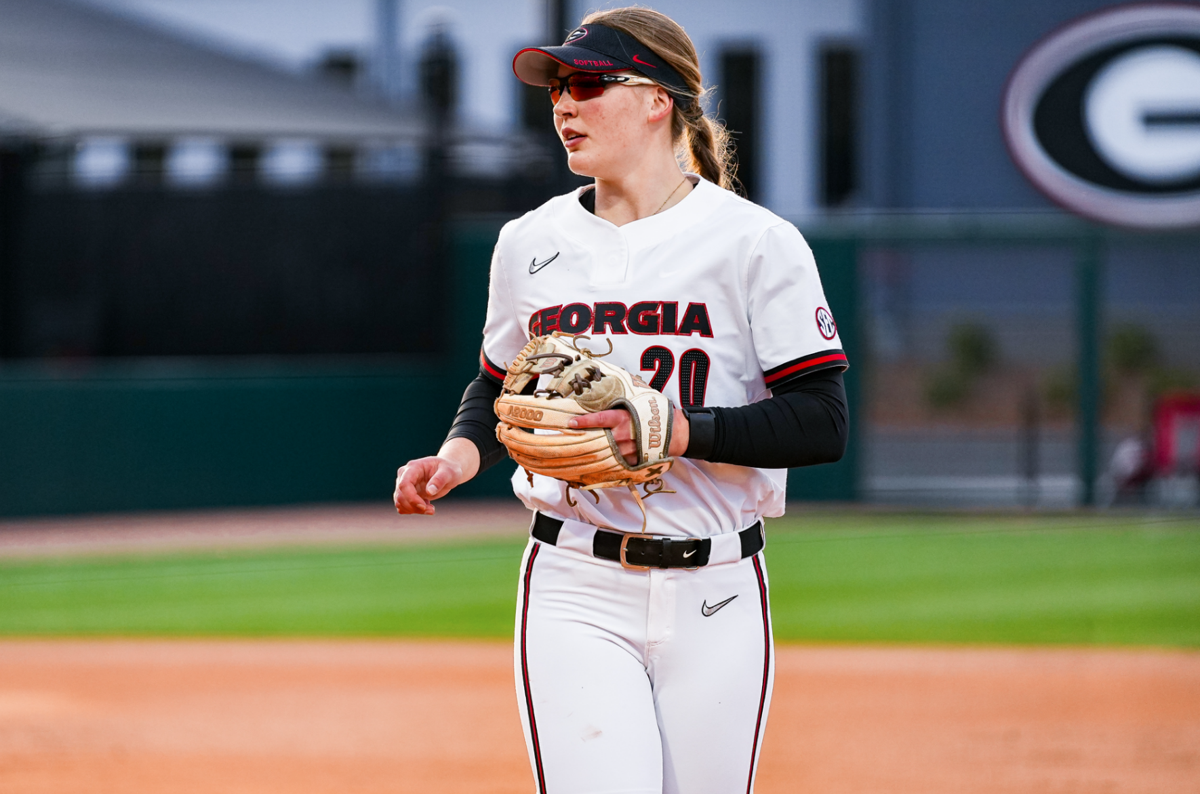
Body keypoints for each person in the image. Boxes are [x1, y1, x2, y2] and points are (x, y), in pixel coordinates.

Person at [394, 7, 849, 793]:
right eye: (557, 88)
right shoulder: (529, 243)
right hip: (575, 581)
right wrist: (459, 453)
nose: (564, 103)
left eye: (588, 83)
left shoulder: (755, 243)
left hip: (718, 590)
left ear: (657, 99)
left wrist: (682, 431)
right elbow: (500, 381)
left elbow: (821, 421)